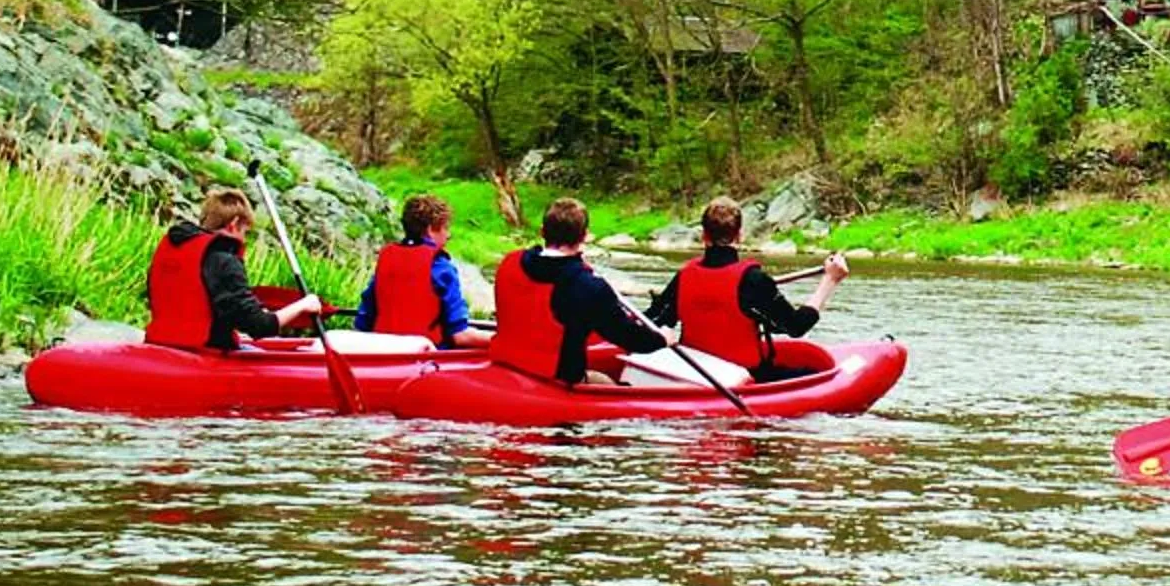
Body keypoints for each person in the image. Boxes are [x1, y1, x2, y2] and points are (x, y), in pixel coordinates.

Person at [646, 198, 850, 383]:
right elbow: (796, 326)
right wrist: (829, 281)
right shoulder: (754, 281)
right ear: (740, 235)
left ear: (704, 235)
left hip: (693, 376)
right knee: (816, 375)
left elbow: (653, 322)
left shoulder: (684, 277)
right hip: (744, 378)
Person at [491, 198, 670, 387]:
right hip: (555, 378)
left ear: (542, 231)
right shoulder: (588, 286)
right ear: (584, 236)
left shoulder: (510, 261)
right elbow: (631, 339)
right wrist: (662, 340)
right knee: (606, 382)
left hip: (508, 362)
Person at [144, 188, 329, 352]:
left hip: (162, 343)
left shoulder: (176, 248)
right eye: (245, 231)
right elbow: (259, 327)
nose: (244, 239)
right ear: (234, 223)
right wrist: (304, 304)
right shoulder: (224, 261)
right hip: (205, 352)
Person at [354, 193, 477, 346]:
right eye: (445, 228)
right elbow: (459, 334)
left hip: (384, 356)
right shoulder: (441, 268)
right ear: (431, 229)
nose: (449, 235)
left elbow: (363, 321)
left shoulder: (387, 261)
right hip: (428, 360)